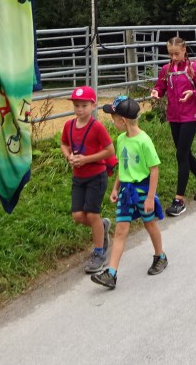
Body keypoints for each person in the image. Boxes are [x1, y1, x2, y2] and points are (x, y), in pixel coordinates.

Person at [91, 96, 167, 290]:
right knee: (120, 231)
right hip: (125, 191)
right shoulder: (121, 139)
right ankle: (111, 273)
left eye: (113, 117)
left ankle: (160, 256)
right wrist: (116, 187)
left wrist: (150, 197)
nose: (112, 121)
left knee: (149, 224)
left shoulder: (144, 141)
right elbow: (122, 166)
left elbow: (154, 169)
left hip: (142, 190)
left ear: (122, 120)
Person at [150, 37, 196, 217]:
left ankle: (179, 200)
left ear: (184, 50)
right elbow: (160, 87)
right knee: (184, 152)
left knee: (181, 154)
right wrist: (156, 92)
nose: (174, 57)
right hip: (174, 116)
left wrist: (192, 93)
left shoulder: (193, 68)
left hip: (190, 116)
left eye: (176, 53)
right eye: (170, 54)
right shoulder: (166, 69)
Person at [60, 86, 115, 273]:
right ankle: (102, 226)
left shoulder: (97, 127)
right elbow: (64, 144)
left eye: (84, 105)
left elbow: (110, 151)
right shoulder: (69, 125)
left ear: (93, 105)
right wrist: (69, 157)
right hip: (78, 176)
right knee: (77, 215)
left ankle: (99, 253)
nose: (80, 109)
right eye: (76, 105)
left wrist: (86, 159)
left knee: (92, 214)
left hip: (96, 176)